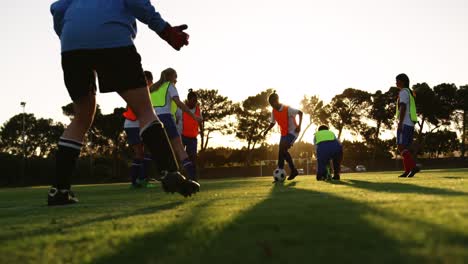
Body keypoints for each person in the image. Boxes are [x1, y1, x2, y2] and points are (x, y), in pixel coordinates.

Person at [49, 0, 199, 206]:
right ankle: (170, 173)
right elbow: (139, 4)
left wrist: (68, 35)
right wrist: (166, 31)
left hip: (72, 43)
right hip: (112, 39)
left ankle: (59, 190)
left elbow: (57, 8)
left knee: (81, 117)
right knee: (145, 111)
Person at [150, 68, 202, 182]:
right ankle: (192, 177)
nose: (176, 79)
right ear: (170, 77)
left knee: (162, 151)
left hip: (154, 120)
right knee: (179, 149)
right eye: (175, 76)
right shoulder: (170, 86)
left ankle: (164, 176)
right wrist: (194, 116)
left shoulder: (152, 88)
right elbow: (179, 103)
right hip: (166, 118)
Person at [123, 70, 156, 188]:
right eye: (151, 81)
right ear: (147, 80)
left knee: (144, 152)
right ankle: (138, 181)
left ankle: (140, 180)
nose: (152, 84)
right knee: (140, 153)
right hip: (133, 125)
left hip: (138, 124)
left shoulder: (144, 91)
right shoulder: (140, 91)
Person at [263, 91, 303, 181]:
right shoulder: (274, 111)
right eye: (270, 104)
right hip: (284, 133)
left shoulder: (287, 109)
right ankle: (281, 169)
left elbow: (300, 113)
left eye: (273, 102)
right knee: (281, 151)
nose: (272, 105)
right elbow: (273, 122)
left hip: (293, 132)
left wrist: (299, 126)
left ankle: (293, 170)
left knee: (283, 149)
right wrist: (266, 130)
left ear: (277, 100)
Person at [395, 73, 420, 178]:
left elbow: (403, 107)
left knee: (400, 146)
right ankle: (408, 171)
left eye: (397, 80)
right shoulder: (409, 93)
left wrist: (400, 123)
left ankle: (413, 167)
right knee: (405, 148)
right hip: (410, 124)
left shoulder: (403, 92)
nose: (396, 82)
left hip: (404, 123)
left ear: (403, 81)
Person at [181, 89, 203, 181]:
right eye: (193, 100)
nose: (195, 102)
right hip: (182, 137)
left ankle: (193, 179)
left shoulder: (198, 109)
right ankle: (181, 177)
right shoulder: (181, 108)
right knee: (181, 157)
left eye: (196, 100)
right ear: (188, 100)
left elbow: (200, 121)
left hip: (193, 138)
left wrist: (202, 133)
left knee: (193, 158)